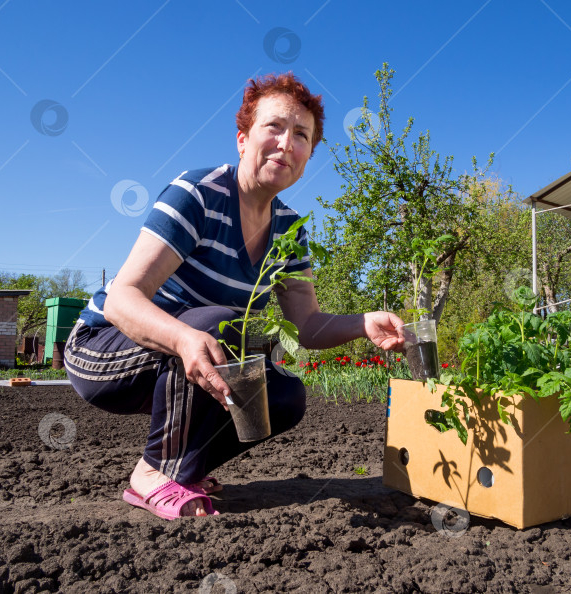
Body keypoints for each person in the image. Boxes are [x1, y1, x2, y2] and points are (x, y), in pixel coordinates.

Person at [64, 72, 405, 520]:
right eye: (274, 127)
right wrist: (183, 339)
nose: (287, 143)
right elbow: (122, 298)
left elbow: (306, 325)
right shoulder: (199, 196)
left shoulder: (290, 231)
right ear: (243, 139)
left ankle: (183, 467)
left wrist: (363, 323)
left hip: (190, 354)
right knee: (216, 324)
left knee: (281, 396)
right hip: (103, 350)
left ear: (307, 158)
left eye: (301, 135)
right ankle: (152, 475)